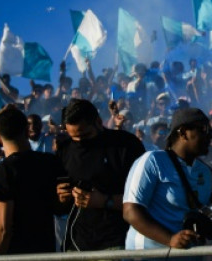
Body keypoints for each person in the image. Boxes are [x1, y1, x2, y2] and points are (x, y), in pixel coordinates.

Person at [123, 108, 212, 250]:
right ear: (183, 133)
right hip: (146, 254)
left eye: (210, 131)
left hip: (184, 255)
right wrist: (170, 238)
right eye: (203, 129)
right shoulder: (152, 161)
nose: (209, 135)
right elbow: (130, 211)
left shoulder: (204, 173)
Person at [56, 98, 145, 251]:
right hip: (76, 243)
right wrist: (61, 196)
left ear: (98, 121)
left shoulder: (125, 145)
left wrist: (104, 201)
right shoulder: (65, 149)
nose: (79, 141)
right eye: (74, 137)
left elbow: (143, 198)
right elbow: (58, 205)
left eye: (85, 135)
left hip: (114, 242)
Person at [0, 107, 67, 254]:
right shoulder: (50, 161)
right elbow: (61, 207)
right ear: (27, 131)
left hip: (17, 254)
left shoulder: (4, 169)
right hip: (45, 250)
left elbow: (3, 229)